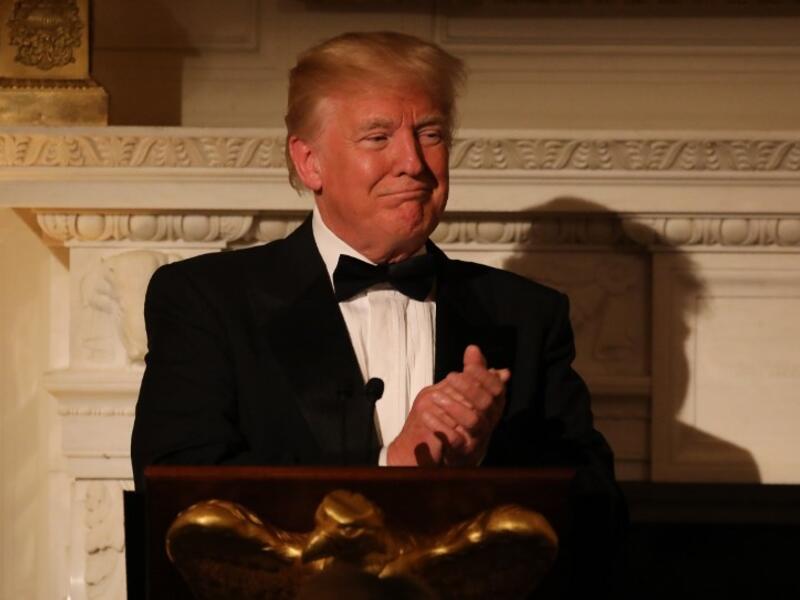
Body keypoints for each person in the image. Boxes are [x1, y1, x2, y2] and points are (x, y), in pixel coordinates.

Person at [131, 29, 620, 511]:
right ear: (310, 162)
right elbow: (179, 497)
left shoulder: (528, 315)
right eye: (378, 137)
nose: (413, 162)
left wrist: (477, 463)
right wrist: (395, 467)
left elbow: (596, 505)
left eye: (430, 134)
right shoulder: (206, 300)